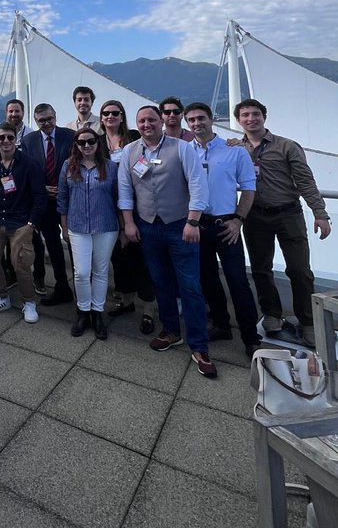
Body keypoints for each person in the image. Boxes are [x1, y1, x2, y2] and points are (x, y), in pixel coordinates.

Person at [118, 106, 216, 379]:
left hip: (179, 225)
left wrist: (193, 221)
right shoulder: (130, 151)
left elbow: (198, 185)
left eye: (151, 119)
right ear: (136, 124)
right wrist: (128, 223)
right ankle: (171, 331)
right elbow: (125, 190)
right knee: (160, 282)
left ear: (162, 121)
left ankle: (199, 346)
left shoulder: (182, 148)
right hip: (147, 226)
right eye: (142, 121)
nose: (147, 124)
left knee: (190, 286)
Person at [234, 97, 332, 348]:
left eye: (255, 114)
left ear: (264, 117)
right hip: (255, 215)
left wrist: (320, 213)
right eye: (245, 115)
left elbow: (306, 181)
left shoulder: (287, 146)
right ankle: (272, 315)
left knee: (299, 270)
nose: (250, 119)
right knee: (261, 268)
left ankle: (308, 322)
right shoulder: (235, 148)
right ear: (238, 120)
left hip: (288, 214)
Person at [183, 103, 261, 358]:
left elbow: (249, 189)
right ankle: (221, 324)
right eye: (192, 120)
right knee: (207, 278)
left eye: (201, 118)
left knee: (238, 280)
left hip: (226, 224)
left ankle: (251, 337)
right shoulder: (184, 151)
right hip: (197, 224)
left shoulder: (235, 151)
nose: (197, 123)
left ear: (211, 119)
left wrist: (238, 220)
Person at [0, 124, 46, 322]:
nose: (6, 141)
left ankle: (28, 301)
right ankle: (1, 296)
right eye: (2, 138)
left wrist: (31, 224)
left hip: (21, 222)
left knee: (21, 263)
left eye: (10, 137)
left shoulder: (29, 164)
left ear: (15, 139)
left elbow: (40, 196)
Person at [58, 131, 119, 339]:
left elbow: (118, 197)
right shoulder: (68, 166)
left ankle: (97, 312)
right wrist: (64, 227)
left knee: (101, 271)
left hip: (106, 226)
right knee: (82, 272)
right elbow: (62, 197)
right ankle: (83, 311)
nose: (86, 145)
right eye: (82, 142)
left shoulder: (110, 168)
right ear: (76, 144)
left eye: (91, 141)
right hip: (77, 225)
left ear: (97, 143)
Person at [100, 100, 154, 332]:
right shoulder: (98, 142)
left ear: (122, 116)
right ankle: (127, 301)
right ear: (101, 118)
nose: (110, 116)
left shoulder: (134, 138)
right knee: (120, 259)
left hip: (138, 207)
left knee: (143, 260)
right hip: (110, 209)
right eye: (106, 113)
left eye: (115, 113)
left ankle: (149, 310)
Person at [21, 104, 74, 303]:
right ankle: (62, 287)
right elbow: (26, 173)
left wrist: (66, 187)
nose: (47, 123)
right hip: (45, 202)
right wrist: (42, 188)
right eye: (42, 120)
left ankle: (83, 287)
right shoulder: (29, 141)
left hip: (69, 200)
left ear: (55, 116)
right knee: (53, 245)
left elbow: (79, 163)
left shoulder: (70, 136)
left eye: (49, 118)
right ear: (36, 122)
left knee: (75, 245)